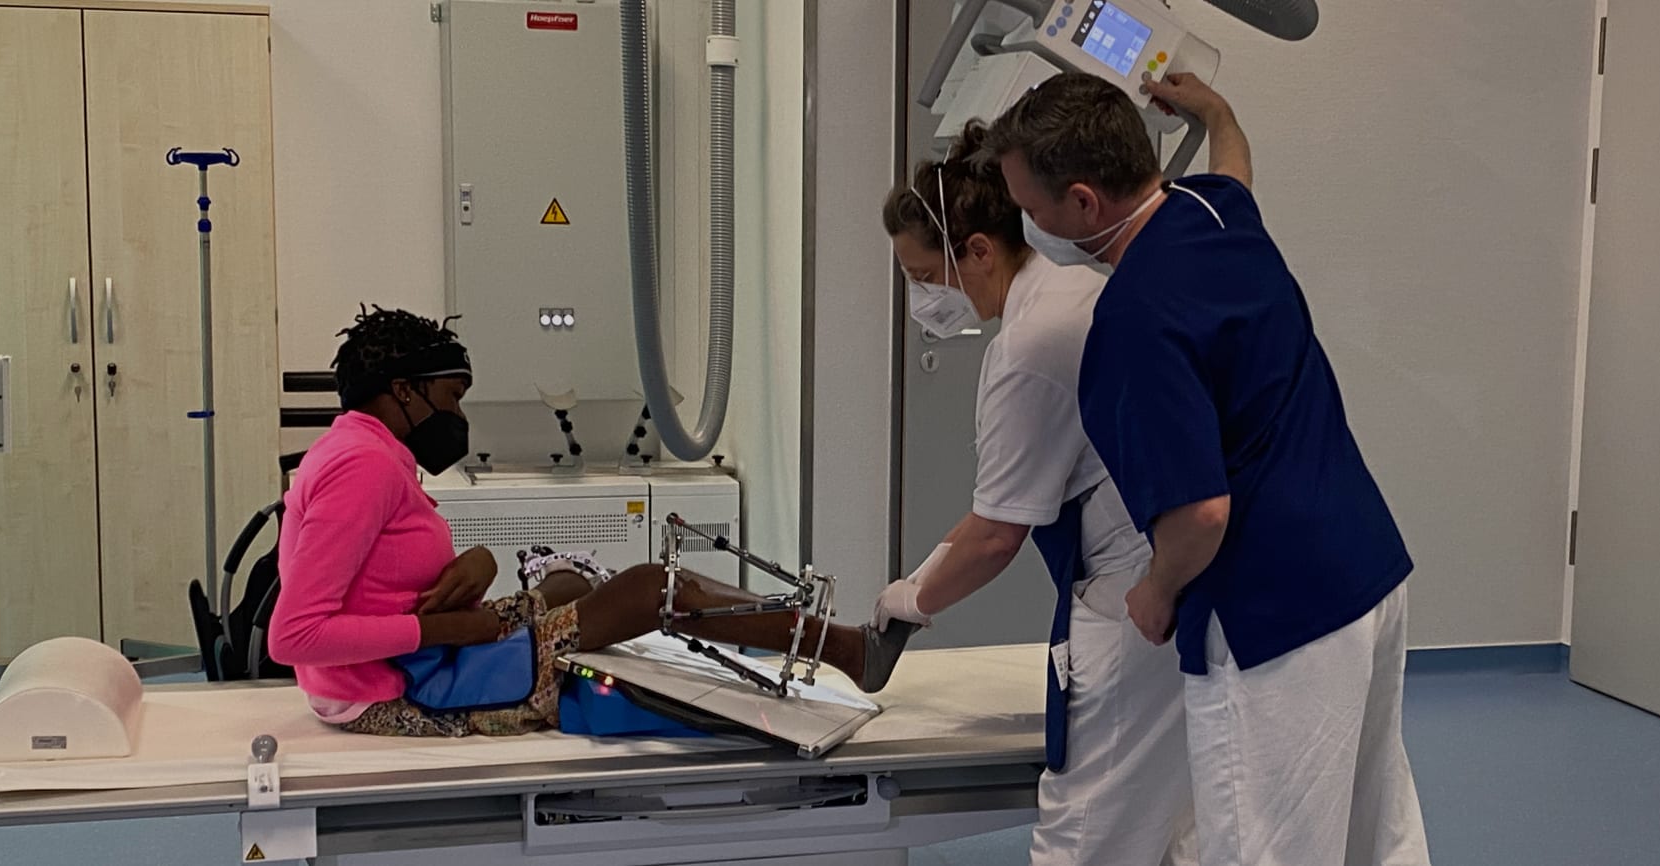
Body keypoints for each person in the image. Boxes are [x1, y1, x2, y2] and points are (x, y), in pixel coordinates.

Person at [984, 72, 1433, 866]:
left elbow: (1201, 515)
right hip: (1365, 567)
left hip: (1274, 615)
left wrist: (1155, 593)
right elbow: (1235, 161)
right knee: (1375, 830)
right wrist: (1215, 109)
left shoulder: (1134, 319)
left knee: (1267, 846)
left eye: (1032, 208)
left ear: (1083, 202)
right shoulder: (1211, 210)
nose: (1029, 225)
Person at [269, 306, 913, 738]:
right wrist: (445, 627)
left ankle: (819, 644)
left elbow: (381, 572)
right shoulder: (362, 466)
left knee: (572, 582)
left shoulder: (366, 452)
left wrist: (477, 563)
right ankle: (845, 650)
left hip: (418, 658)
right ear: (404, 389)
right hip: (399, 691)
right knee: (651, 588)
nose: (459, 416)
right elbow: (295, 635)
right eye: (452, 397)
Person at [873, 123, 1195, 866]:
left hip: (1133, 596)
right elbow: (999, 506)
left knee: (1085, 835)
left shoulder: (1027, 347)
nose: (921, 299)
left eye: (923, 276)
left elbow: (997, 535)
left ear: (979, 251)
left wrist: (915, 600)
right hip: (1170, 581)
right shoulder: (1075, 286)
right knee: (1178, 823)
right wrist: (920, 577)